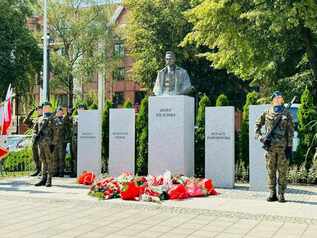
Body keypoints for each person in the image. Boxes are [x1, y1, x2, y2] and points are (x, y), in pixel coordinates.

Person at [255, 91, 294, 202]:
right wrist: (260, 137)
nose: (278, 99)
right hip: (270, 148)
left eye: (280, 98)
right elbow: (257, 124)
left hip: (283, 148)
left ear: (282, 100)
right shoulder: (267, 112)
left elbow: (290, 130)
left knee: (282, 171)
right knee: (270, 170)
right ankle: (272, 193)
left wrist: (290, 146)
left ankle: (281, 194)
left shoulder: (286, 113)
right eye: (276, 98)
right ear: (272, 100)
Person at [35, 102, 57, 187]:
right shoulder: (40, 119)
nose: (46, 109)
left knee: (49, 161)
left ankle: (49, 179)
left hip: (49, 143)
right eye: (44, 107)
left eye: (48, 107)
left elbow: (56, 133)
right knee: (42, 160)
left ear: (50, 108)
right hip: (41, 143)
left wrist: (53, 144)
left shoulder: (53, 118)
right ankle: (43, 178)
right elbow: (37, 131)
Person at [24, 105, 43, 176]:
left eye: (40, 110)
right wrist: (31, 112)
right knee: (35, 155)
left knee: (40, 155)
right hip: (34, 139)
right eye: (37, 110)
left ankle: (42, 170)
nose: (39, 111)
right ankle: (37, 169)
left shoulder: (43, 118)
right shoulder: (35, 119)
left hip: (40, 139)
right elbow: (25, 121)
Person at [70, 104, 87, 177]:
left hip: (83, 138)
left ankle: (83, 171)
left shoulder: (88, 118)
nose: (80, 110)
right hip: (74, 138)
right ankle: (74, 171)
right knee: (74, 156)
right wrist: (70, 113)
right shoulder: (74, 117)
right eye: (79, 109)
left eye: (82, 109)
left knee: (83, 156)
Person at [53, 106, 66, 177]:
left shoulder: (64, 119)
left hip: (61, 141)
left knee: (61, 157)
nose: (59, 113)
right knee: (54, 157)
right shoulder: (53, 119)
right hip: (54, 141)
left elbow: (61, 126)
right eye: (58, 112)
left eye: (61, 112)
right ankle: (55, 171)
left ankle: (61, 172)